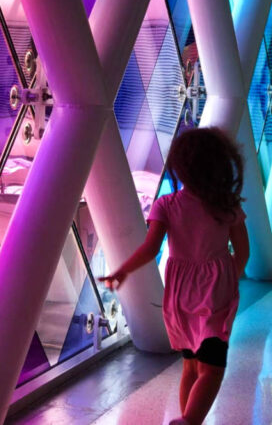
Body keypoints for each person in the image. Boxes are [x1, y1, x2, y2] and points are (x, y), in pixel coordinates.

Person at [99, 127, 249, 425]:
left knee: (191, 367)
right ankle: (190, 422)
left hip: (180, 294)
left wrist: (121, 272)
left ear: (179, 167)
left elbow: (150, 248)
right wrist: (229, 275)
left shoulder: (166, 205)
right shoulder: (226, 206)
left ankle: (187, 418)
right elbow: (243, 252)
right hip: (214, 293)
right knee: (213, 369)